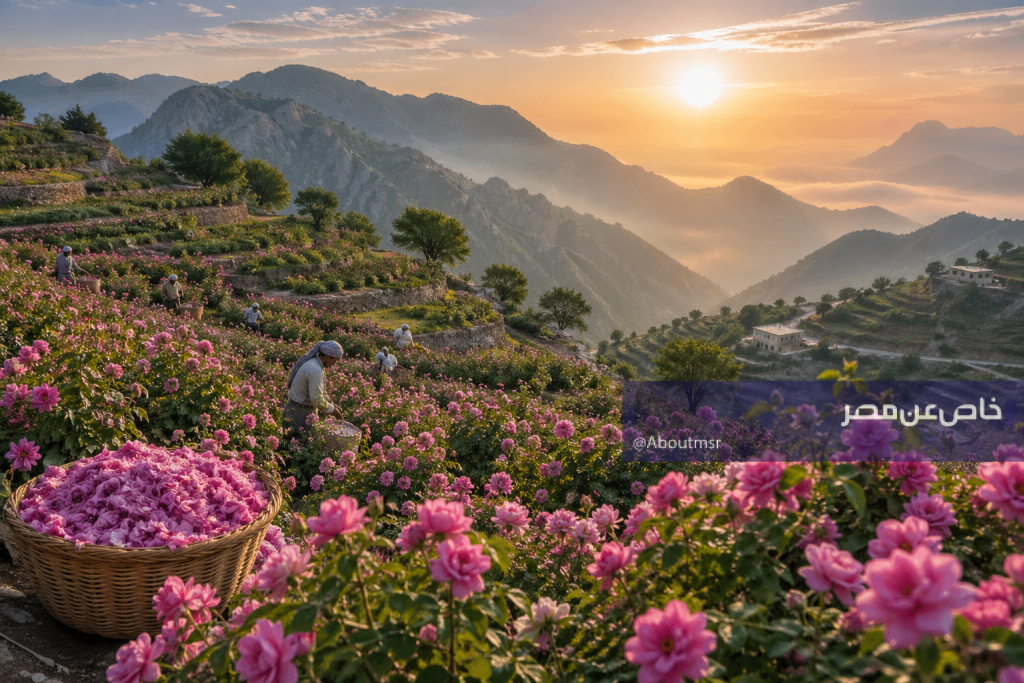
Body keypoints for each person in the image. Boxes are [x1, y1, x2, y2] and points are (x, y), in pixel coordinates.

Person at [283, 340, 344, 437]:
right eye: (335, 361)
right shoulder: (316, 370)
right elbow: (316, 399)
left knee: (290, 445)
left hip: (293, 409)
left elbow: (318, 392)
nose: (334, 364)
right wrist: (334, 411)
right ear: (328, 356)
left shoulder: (312, 363)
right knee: (301, 445)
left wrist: (332, 405)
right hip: (300, 414)